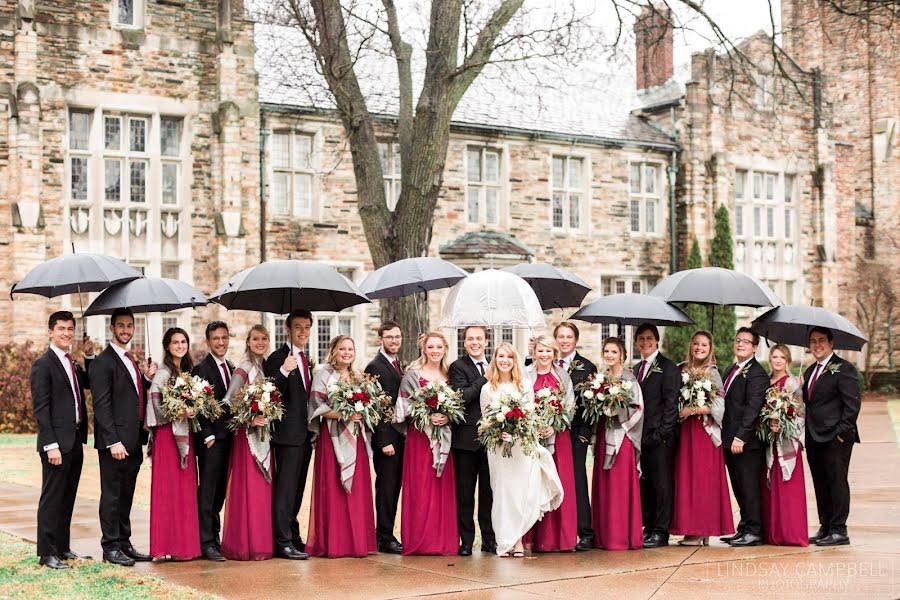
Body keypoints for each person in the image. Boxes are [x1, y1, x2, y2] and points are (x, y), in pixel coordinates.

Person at [482, 342, 563, 557]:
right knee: (503, 494)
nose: (505, 361)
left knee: (520, 493)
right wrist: (499, 433)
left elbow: (530, 419)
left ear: (514, 360)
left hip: (521, 448)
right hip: (499, 450)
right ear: (495, 359)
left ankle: (517, 539)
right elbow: (485, 422)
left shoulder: (524, 386)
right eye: (501, 356)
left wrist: (516, 433)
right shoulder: (487, 388)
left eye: (509, 357)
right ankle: (504, 541)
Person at [91, 307, 156, 566]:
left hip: (133, 440)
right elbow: (102, 406)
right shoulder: (103, 362)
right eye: (121, 325)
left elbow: (131, 396)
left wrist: (147, 380)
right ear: (112, 328)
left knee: (127, 493)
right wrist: (112, 441)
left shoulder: (130, 359)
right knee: (112, 495)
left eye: (130, 325)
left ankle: (124, 542)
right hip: (115, 443)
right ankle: (110, 547)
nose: (126, 330)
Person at [31, 311, 95, 569]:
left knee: (67, 498)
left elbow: (90, 383)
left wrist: (89, 356)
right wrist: (50, 445)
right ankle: (47, 553)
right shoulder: (43, 365)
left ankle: (62, 547)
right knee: (52, 498)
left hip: (75, 441)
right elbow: (41, 408)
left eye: (70, 328)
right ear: (50, 331)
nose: (67, 333)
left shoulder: (73, 363)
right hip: (56, 444)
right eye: (61, 329)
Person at [307, 336, 377, 558]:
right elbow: (316, 407)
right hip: (332, 439)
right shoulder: (324, 375)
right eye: (342, 349)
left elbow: (370, 407)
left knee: (357, 489)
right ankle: (335, 543)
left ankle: (357, 542)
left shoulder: (359, 377)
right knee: (334, 488)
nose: (346, 352)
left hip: (356, 439)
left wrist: (363, 413)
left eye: (350, 348)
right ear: (334, 351)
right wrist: (344, 414)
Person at [395, 332, 459, 556]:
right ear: (424, 349)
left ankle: (441, 541)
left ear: (445, 349)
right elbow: (402, 408)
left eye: (438, 347)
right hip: (420, 440)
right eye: (430, 347)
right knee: (421, 487)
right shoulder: (413, 375)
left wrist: (447, 416)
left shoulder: (451, 375)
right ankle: (419, 541)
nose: (435, 351)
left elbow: (458, 406)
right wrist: (426, 415)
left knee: (441, 487)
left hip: (444, 440)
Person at [670, 331, 734, 546]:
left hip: (704, 433)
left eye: (704, 345)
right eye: (696, 343)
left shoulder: (712, 373)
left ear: (710, 348)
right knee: (686, 480)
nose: (699, 348)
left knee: (702, 481)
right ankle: (692, 528)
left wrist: (693, 409)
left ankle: (700, 530)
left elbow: (719, 406)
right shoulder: (681, 369)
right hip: (685, 432)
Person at [220, 325, 275, 561]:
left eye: (264, 338)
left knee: (262, 489)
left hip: (264, 435)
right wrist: (251, 418)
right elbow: (230, 401)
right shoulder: (243, 367)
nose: (260, 342)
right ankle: (243, 544)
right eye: (255, 339)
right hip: (247, 438)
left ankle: (261, 542)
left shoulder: (265, 366)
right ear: (248, 342)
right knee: (249, 488)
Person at [146, 327, 201, 561]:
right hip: (168, 438)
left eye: (183, 341)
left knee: (185, 491)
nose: (180, 345)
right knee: (167, 492)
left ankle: (184, 547)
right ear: (167, 346)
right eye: (175, 342)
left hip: (185, 436)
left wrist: (195, 408)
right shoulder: (164, 373)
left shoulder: (187, 371)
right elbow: (154, 404)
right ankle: (163, 546)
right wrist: (179, 412)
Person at [804, 327, 861, 547]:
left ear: (831, 343)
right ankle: (826, 526)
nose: (816, 345)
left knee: (836, 482)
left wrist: (841, 435)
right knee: (820, 483)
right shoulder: (809, 372)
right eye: (812, 341)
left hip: (836, 438)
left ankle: (839, 530)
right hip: (813, 437)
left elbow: (852, 406)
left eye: (821, 340)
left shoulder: (844, 369)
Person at [264, 310, 314, 560]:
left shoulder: (306, 359)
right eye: (298, 327)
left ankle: (293, 536)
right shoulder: (277, 358)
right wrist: (283, 371)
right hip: (286, 437)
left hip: (305, 436)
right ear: (288, 329)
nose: (303, 332)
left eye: (307, 327)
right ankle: (281, 541)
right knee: (284, 491)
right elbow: (269, 393)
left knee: (297, 490)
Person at [522, 335, 578, 552]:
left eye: (548, 351)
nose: (544, 355)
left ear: (554, 353)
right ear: (534, 352)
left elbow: (570, 406)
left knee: (559, 483)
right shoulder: (526, 376)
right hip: (532, 438)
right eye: (540, 351)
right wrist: (534, 425)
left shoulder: (563, 376)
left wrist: (554, 426)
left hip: (559, 438)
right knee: (534, 485)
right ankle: (535, 538)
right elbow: (520, 403)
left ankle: (561, 539)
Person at [591, 337, 644, 551]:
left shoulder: (629, 379)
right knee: (604, 487)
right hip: (605, 437)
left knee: (619, 488)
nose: (610, 355)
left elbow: (638, 408)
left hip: (623, 439)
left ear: (622, 354)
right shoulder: (600, 379)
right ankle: (603, 537)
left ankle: (620, 537)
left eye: (614, 351)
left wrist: (617, 412)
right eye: (607, 351)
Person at [448, 326, 496, 556]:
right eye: (470, 339)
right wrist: (484, 379)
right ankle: (466, 541)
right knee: (465, 495)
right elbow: (463, 397)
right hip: (465, 442)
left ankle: (489, 539)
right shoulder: (457, 366)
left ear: (486, 341)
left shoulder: (498, 364)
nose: (475, 342)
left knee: (489, 494)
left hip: (492, 441)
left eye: (479, 338)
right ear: (464, 342)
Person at [720, 327, 769, 547]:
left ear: (755, 347)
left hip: (746, 443)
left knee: (749, 487)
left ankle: (755, 531)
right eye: (738, 340)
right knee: (738, 487)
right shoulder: (731, 369)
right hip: (729, 440)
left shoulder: (757, 373)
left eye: (746, 342)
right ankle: (744, 527)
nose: (740, 344)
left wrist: (741, 437)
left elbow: (753, 408)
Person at [632, 324, 680, 548]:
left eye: (649, 338)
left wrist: (662, 433)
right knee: (646, 483)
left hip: (661, 438)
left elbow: (671, 405)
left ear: (657, 340)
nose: (645, 342)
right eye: (640, 338)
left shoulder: (668, 368)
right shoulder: (634, 369)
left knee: (662, 484)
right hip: (640, 436)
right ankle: (648, 526)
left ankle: (661, 531)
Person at [191, 321, 234, 561]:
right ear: (208, 342)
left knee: (220, 493)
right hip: (211, 441)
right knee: (207, 492)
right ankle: (205, 542)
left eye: (224, 338)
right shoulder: (202, 369)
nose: (221, 342)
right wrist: (206, 435)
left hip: (229, 439)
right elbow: (198, 406)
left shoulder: (231, 367)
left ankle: (214, 537)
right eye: (216, 338)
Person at [554, 321, 598, 551]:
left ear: (576, 340)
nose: (564, 340)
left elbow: (593, 404)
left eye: (568, 336)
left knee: (578, 481)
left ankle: (585, 532)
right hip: (552, 433)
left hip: (576, 434)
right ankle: (560, 531)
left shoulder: (587, 367)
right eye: (560, 336)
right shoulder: (549, 364)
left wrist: (586, 435)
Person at [364, 321, 405, 554]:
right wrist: (383, 441)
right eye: (389, 337)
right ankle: (384, 536)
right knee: (386, 487)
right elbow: (375, 407)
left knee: (394, 486)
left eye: (397, 337)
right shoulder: (374, 366)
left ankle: (388, 532)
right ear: (381, 339)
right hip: (387, 441)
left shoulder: (398, 364)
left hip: (401, 439)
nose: (394, 341)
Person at [761, 344, 808, 547]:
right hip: (769, 442)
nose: (778, 360)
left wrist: (784, 426)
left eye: (782, 357)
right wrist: (768, 423)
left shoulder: (791, 384)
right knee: (769, 489)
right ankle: (773, 533)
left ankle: (791, 534)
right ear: (770, 359)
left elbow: (801, 413)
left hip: (786, 444)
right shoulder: (765, 382)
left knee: (788, 489)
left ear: (787, 361)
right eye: (775, 356)